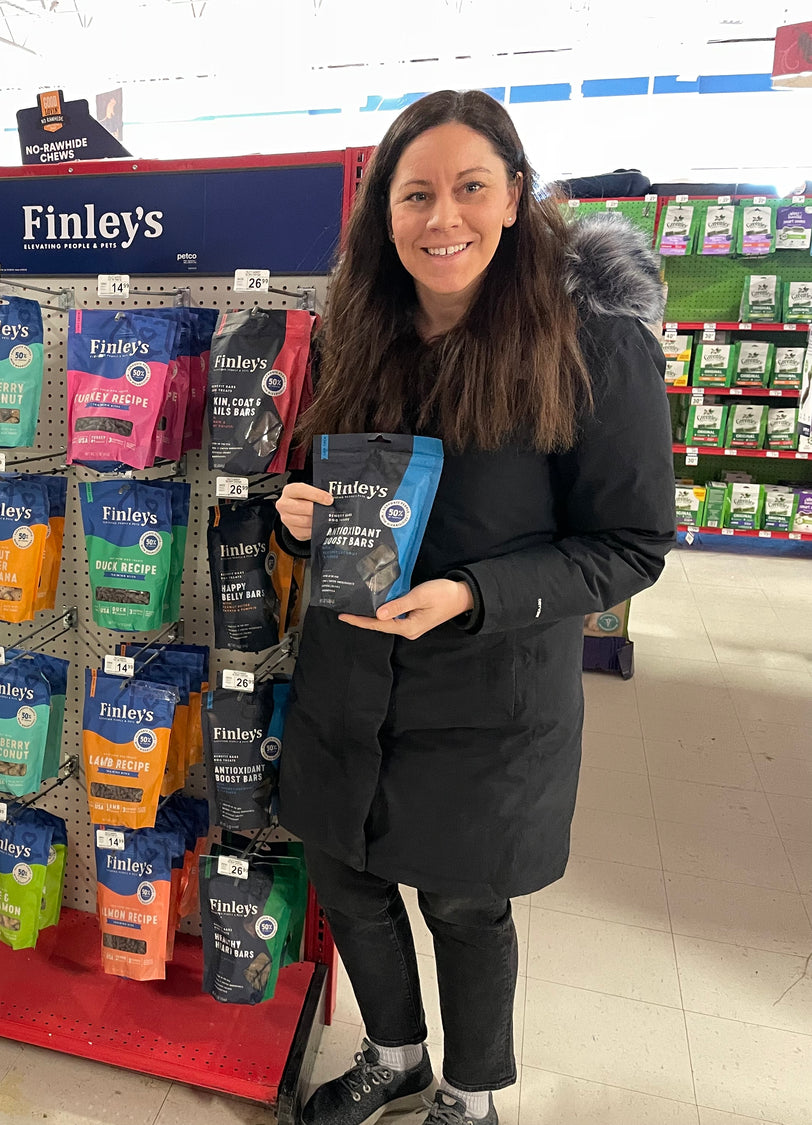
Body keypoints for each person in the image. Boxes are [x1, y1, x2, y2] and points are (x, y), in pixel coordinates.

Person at [275, 91, 674, 1125]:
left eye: (468, 188)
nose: (440, 217)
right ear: (384, 213)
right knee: (348, 875)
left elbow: (630, 545)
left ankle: (471, 1092)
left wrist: (473, 593)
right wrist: (295, 520)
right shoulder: (354, 328)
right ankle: (395, 1054)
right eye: (415, 194)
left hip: (487, 691)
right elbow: (309, 490)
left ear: (514, 199)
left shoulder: (593, 343)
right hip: (347, 681)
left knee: (461, 899)